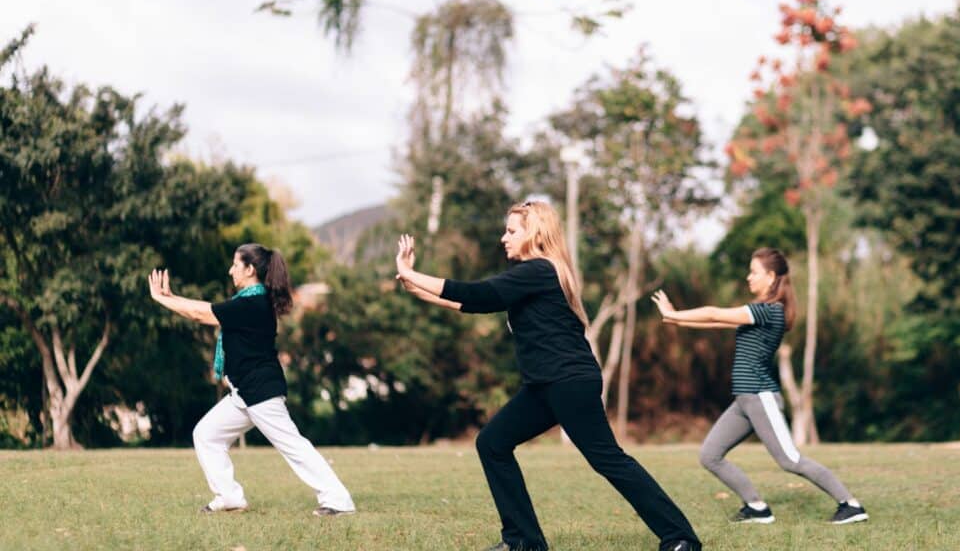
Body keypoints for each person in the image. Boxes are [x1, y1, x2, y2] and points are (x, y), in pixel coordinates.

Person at [395, 201, 701, 551]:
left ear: (534, 233)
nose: (503, 238)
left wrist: (411, 271)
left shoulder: (539, 270)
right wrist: (417, 287)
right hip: (543, 386)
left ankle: (681, 539)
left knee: (608, 460)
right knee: (492, 443)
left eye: (511, 231)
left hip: (569, 383)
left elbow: (478, 293)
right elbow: (476, 304)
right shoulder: (528, 278)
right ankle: (523, 541)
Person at [651, 247, 868, 525]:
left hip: (760, 397)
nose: (748, 278)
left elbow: (715, 312)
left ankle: (850, 504)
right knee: (710, 455)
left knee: (790, 460)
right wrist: (674, 318)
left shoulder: (769, 311)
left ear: (771, 276)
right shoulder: (760, 312)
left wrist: (677, 313)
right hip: (744, 400)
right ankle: (756, 507)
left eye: (754, 272)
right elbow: (716, 321)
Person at [147, 243, 355, 516]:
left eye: (236, 264)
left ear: (250, 269)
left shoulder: (252, 304)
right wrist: (172, 296)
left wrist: (164, 299)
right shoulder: (249, 302)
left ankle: (339, 501)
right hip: (245, 393)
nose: (230, 270)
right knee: (207, 435)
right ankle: (230, 497)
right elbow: (204, 311)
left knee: (293, 446)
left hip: (261, 393)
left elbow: (201, 313)